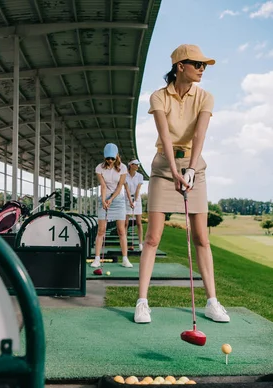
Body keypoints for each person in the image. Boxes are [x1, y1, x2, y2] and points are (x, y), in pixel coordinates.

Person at [133, 44, 230, 324]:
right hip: (164, 168)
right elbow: (164, 136)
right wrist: (175, 171)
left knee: (202, 237)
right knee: (152, 238)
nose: (202, 69)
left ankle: (212, 302)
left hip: (194, 168)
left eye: (204, 66)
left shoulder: (205, 97)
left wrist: (189, 170)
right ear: (180, 66)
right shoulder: (158, 97)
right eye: (197, 64)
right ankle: (142, 302)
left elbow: (199, 136)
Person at [91, 143, 133, 268]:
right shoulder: (99, 168)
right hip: (104, 200)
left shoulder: (123, 168)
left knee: (121, 230)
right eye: (108, 158)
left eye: (112, 158)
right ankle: (97, 259)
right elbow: (103, 186)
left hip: (118, 200)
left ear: (117, 156)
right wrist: (104, 200)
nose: (110, 161)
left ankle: (125, 259)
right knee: (101, 231)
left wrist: (111, 199)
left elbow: (120, 186)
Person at [124, 159, 145, 251]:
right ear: (131, 165)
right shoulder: (124, 176)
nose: (137, 166)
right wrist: (130, 201)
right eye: (136, 164)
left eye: (138, 165)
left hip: (137, 200)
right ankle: (124, 243)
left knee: (139, 223)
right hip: (126, 199)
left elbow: (138, 190)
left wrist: (135, 202)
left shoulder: (140, 176)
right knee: (125, 223)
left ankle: (140, 244)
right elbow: (127, 189)